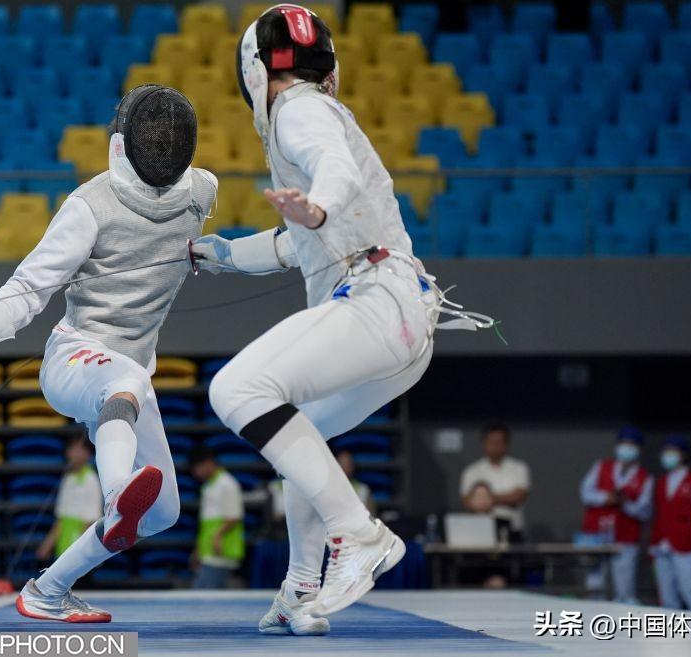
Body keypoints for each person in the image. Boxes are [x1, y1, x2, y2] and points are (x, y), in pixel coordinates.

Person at [192, 4, 490, 633]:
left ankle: (359, 533)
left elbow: (336, 170)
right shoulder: (318, 109)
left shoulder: (296, 110)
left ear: (252, 70)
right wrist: (221, 255)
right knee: (300, 441)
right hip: (402, 320)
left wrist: (320, 207)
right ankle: (302, 588)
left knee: (236, 389)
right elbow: (292, 243)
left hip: (376, 303)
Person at [0, 84, 215, 622]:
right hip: (75, 358)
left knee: (163, 511)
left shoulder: (200, 192)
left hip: (129, 380)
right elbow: (35, 280)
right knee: (127, 381)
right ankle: (116, 493)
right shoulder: (90, 205)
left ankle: (47, 590)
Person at [579, 426, 652, 603]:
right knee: (594, 584)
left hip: (625, 536)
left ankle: (625, 619)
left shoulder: (645, 477)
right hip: (595, 533)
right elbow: (585, 493)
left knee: (624, 590)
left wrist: (624, 503)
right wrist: (606, 497)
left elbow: (644, 511)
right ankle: (593, 618)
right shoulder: (601, 466)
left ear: (639, 449)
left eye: (631, 444)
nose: (626, 448)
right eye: (623, 443)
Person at [650, 435, 691, 611]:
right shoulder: (661, 482)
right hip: (662, 544)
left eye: (672, 451)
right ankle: (672, 628)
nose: (667, 454)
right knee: (666, 595)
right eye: (666, 450)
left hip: (685, 545)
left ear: (683, 454)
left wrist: (690, 536)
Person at [37, 433, 103, 561]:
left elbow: (91, 521)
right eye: (72, 449)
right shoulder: (68, 479)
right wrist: (47, 545)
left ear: (87, 453)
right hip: (64, 542)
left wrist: (83, 553)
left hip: (81, 546)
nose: (74, 453)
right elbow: (61, 519)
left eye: (79, 449)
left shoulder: (91, 480)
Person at [460, 424, 531, 542]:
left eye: (499, 442)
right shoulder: (472, 471)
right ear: (484, 443)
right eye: (491, 442)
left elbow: (519, 496)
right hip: (480, 530)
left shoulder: (519, 468)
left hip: (512, 530)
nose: (495, 446)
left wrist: (485, 498)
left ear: (507, 444)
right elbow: (467, 501)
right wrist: (503, 497)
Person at [189, 446, 245, 589]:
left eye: (197, 468)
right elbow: (206, 524)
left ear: (208, 463)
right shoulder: (208, 487)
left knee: (202, 595)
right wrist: (198, 550)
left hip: (221, 552)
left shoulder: (227, 484)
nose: (195, 473)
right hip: (209, 553)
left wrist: (217, 536)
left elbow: (234, 516)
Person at [335, 449, 376, 515]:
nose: (344, 467)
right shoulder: (328, 490)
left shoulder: (364, 490)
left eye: (347, 464)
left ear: (353, 466)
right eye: (341, 463)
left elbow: (372, 516)